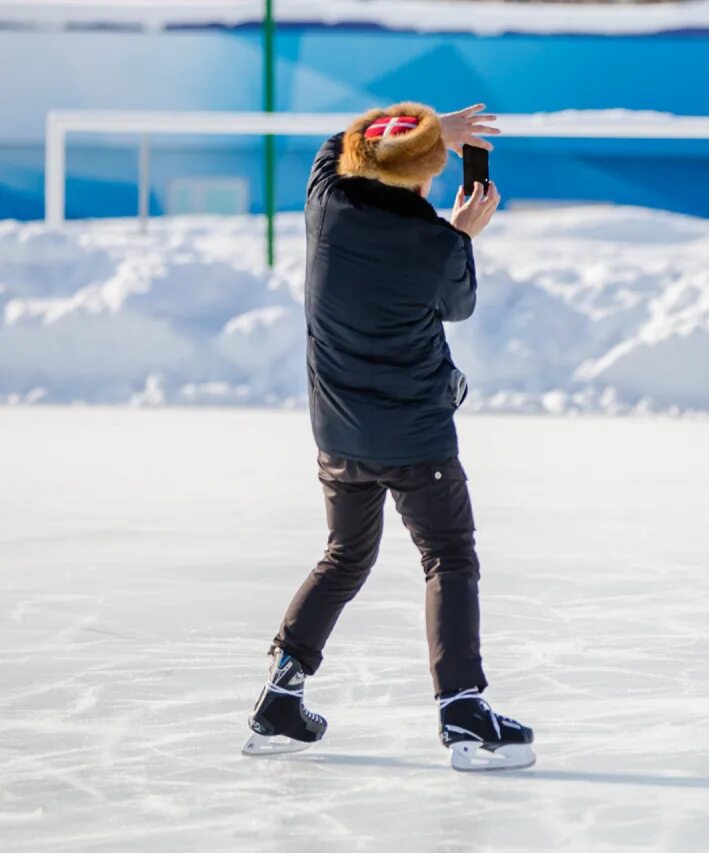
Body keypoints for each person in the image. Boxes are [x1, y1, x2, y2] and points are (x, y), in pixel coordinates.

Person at [243, 101, 535, 771]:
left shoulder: (326, 199)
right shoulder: (433, 244)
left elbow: (339, 138)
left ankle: (279, 697)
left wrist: (428, 126)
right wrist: (461, 233)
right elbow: (457, 304)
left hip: (339, 435)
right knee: (449, 556)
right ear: (423, 175)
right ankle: (462, 709)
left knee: (346, 553)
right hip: (415, 440)